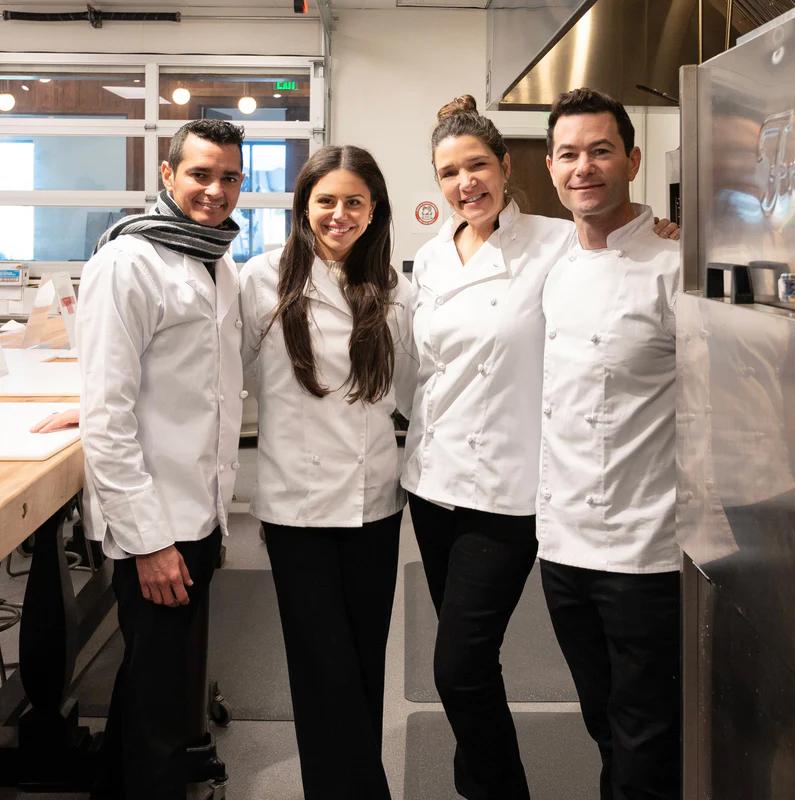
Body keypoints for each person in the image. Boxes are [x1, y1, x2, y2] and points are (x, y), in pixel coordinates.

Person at [401, 96, 576, 800]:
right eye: (449, 172)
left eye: (477, 165)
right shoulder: (434, 258)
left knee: (458, 667)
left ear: (505, 166)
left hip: (508, 489)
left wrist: (661, 233)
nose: (465, 183)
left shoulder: (555, 244)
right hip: (433, 485)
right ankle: (478, 782)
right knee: (470, 661)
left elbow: (620, 260)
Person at [238, 145, 416, 800]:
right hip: (296, 511)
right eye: (326, 201)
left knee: (365, 668)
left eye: (354, 202)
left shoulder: (396, 289)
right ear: (303, 206)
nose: (339, 214)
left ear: (374, 211)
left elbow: (415, 393)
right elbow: (223, 379)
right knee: (325, 671)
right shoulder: (260, 281)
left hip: (375, 505)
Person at [76, 118, 245, 800]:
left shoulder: (214, 259)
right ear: (168, 176)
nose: (215, 189)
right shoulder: (129, 262)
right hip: (158, 518)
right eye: (200, 174)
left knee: (155, 676)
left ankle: (126, 781)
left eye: (229, 176)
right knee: (159, 686)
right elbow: (109, 416)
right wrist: (147, 543)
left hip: (199, 509)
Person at [537, 88, 681, 800]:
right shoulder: (557, 263)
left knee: (646, 733)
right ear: (551, 166)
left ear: (632, 158)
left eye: (600, 151)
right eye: (568, 154)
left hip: (644, 551)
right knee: (601, 721)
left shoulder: (673, 264)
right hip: (562, 548)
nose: (583, 167)